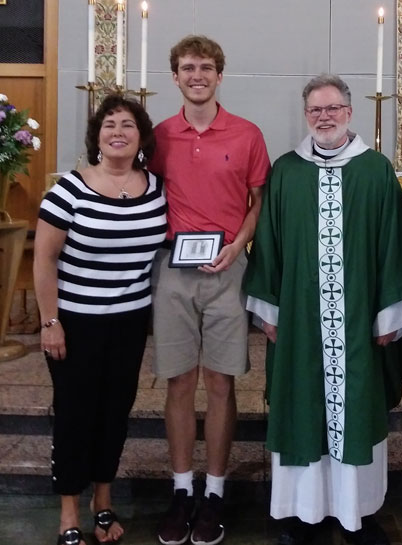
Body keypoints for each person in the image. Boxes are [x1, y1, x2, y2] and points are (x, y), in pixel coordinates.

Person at [243, 74, 402, 545]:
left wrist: (389, 316)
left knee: (357, 405)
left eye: (333, 108)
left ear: (350, 113)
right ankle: (300, 511)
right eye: (315, 110)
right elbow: (267, 244)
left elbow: (395, 244)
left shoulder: (375, 170)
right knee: (299, 402)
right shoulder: (286, 171)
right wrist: (268, 309)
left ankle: (358, 510)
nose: (324, 117)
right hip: (299, 322)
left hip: (358, 326)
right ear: (306, 115)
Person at [148, 35, 270, 545]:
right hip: (173, 268)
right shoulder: (157, 137)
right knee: (179, 382)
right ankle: (181, 491)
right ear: (174, 77)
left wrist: (239, 243)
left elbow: (257, 199)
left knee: (221, 382)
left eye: (205, 67)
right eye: (186, 68)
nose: (196, 75)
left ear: (220, 75)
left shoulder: (246, 134)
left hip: (226, 268)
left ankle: (215, 492)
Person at [34, 94, 167, 545]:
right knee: (75, 415)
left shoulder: (156, 188)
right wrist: (50, 321)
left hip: (128, 324)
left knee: (114, 415)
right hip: (75, 323)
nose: (118, 132)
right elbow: (44, 260)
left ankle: (103, 503)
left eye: (128, 125)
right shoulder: (68, 190)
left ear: (141, 136)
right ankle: (69, 510)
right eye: (109, 124)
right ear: (97, 137)